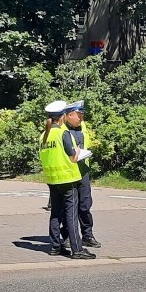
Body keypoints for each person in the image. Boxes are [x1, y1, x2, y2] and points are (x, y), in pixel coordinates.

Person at [39, 101, 96, 260]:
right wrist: (78, 151)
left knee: (56, 214)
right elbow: (73, 156)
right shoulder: (63, 134)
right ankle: (77, 249)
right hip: (68, 179)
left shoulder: (43, 135)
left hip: (52, 180)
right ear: (63, 116)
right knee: (71, 216)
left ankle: (55, 247)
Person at [60, 100, 101, 248]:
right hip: (68, 172)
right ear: (69, 115)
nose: (81, 118)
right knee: (69, 207)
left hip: (83, 171)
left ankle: (87, 235)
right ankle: (67, 236)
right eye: (79, 115)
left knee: (85, 205)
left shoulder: (82, 126)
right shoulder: (62, 129)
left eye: (82, 115)